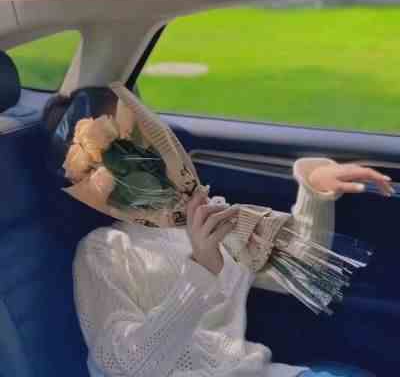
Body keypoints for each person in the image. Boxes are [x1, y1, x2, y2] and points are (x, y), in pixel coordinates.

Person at [44, 90, 389, 377]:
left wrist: (314, 190)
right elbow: (128, 365)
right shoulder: (105, 250)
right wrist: (201, 269)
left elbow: (302, 272)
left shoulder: (210, 213)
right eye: (133, 142)